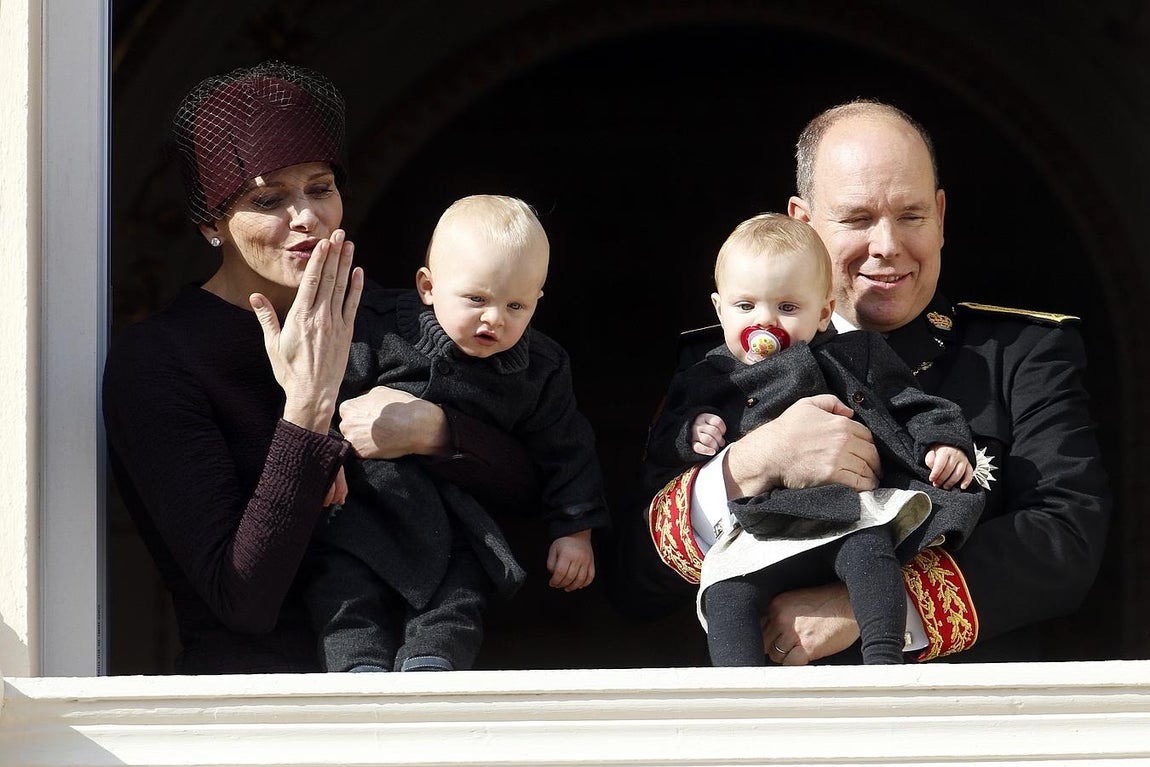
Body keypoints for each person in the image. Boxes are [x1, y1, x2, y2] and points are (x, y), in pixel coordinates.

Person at [634, 99, 1110, 664]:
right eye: (858, 220)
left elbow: (1066, 539)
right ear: (802, 223)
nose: (886, 246)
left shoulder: (1020, 353)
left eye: (911, 216)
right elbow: (632, 581)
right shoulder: (717, 364)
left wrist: (863, 606)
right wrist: (748, 465)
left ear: (940, 216)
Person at [102, 62, 539, 674]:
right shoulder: (159, 361)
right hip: (260, 715)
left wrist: (435, 431)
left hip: (416, 691)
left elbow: (532, 487)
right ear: (211, 225)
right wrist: (307, 414)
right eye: (268, 199)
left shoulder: (392, 318)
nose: (306, 217)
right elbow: (241, 598)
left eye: (320, 187)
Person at [645, 213, 983, 665]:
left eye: (787, 308)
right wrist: (691, 433)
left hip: (844, 512)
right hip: (760, 527)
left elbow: (911, 402)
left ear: (823, 311)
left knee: (871, 554)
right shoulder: (705, 376)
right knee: (726, 591)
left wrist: (944, 441)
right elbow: (663, 444)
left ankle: (884, 662)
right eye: (746, 307)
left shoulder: (854, 355)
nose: (765, 323)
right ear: (719, 308)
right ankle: (742, 694)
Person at [303, 194, 609, 673]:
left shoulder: (541, 367)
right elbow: (329, 393)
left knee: (460, 597)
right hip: (365, 508)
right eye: (477, 300)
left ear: (538, 302)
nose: (495, 319)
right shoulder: (376, 328)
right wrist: (323, 462)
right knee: (344, 591)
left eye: (517, 305)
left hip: (461, 521)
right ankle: (357, 673)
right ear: (428, 286)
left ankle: (432, 668)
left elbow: (566, 447)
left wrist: (576, 531)